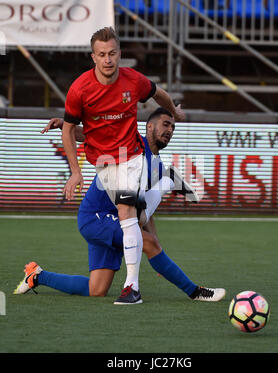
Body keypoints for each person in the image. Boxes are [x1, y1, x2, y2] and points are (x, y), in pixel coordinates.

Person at [14, 108, 226, 304]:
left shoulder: (156, 165)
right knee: (147, 241)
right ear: (150, 126)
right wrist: (65, 126)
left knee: (96, 289)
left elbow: (145, 211)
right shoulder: (132, 143)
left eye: (172, 127)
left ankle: (37, 276)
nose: (169, 130)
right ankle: (195, 291)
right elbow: (92, 137)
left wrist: (157, 248)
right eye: (165, 124)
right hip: (96, 217)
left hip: (119, 219)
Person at [61, 27, 186, 304]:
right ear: (93, 56)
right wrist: (75, 172)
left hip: (129, 159)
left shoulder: (134, 81)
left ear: (120, 54)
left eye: (113, 53)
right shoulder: (79, 89)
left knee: (129, 212)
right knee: (98, 287)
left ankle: (132, 289)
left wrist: (173, 112)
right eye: (102, 54)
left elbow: (160, 94)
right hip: (104, 166)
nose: (108, 60)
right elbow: (69, 131)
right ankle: (163, 184)